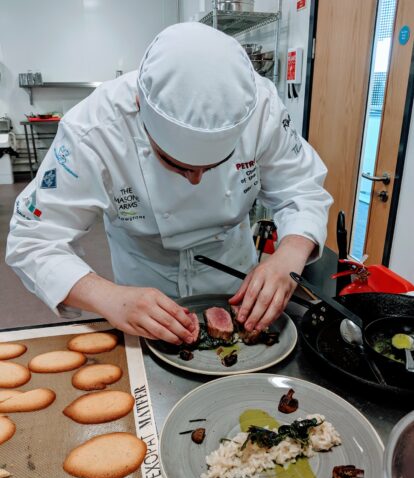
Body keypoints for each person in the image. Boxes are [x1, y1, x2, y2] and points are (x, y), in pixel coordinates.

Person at [6, 23, 332, 345]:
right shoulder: (94, 129)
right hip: (142, 285)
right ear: (139, 107)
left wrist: (288, 257)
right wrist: (106, 296)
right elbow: (33, 239)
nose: (196, 180)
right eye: (177, 165)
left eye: (213, 166)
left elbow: (301, 188)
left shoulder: (261, 108)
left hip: (234, 278)